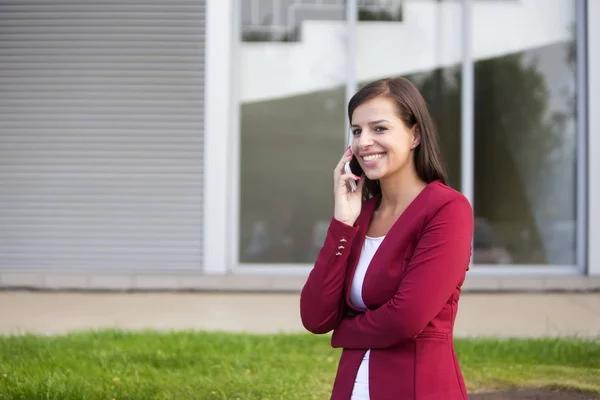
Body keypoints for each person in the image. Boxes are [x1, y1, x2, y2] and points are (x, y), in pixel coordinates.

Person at [299, 77, 474, 400]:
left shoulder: (447, 209)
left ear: (415, 135)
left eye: (379, 129)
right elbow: (315, 316)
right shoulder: (360, 215)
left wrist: (346, 331)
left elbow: (406, 319)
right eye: (356, 130)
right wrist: (343, 223)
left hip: (417, 389)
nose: (364, 141)